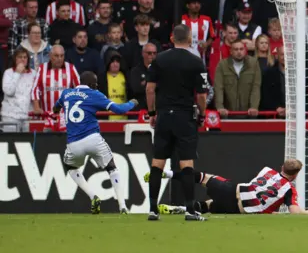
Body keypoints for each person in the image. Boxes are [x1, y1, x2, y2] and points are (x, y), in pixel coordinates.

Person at [146, 24, 209, 221]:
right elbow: (201, 94)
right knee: (186, 163)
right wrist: (202, 113)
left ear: (172, 38)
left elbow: (149, 89)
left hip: (164, 115)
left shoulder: (160, 59)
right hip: (184, 116)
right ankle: (190, 210)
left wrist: (152, 113)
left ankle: (152, 209)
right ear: (190, 39)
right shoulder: (196, 62)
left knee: (158, 162)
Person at [53, 71, 137, 214]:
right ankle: (122, 206)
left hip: (74, 143)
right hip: (93, 139)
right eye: (96, 84)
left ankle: (93, 196)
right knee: (112, 168)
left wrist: (58, 110)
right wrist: (132, 103)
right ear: (92, 84)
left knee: (70, 167)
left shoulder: (66, 93)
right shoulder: (95, 95)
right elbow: (118, 109)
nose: (97, 86)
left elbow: (56, 108)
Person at [146, 159, 308, 215]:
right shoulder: (289, 189)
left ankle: (168, 173)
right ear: (296, 175)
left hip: (233, 191)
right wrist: (306, 212)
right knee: (209, 206)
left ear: (282, 167)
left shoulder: (267, 170)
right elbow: (294, 212)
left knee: (203, 177)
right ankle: (179, 209)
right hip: (239, 209)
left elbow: (258, 188)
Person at [1, 48, 36, 132]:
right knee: (10, 142)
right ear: (15, 59)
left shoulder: (33, 73)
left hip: (28, 116)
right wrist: (17, 73)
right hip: (10, 116)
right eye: (20, 57)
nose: (23, 59)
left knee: (29, 143)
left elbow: (35, 94)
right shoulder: (8, 72)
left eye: (25, 57)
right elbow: (9, 91)